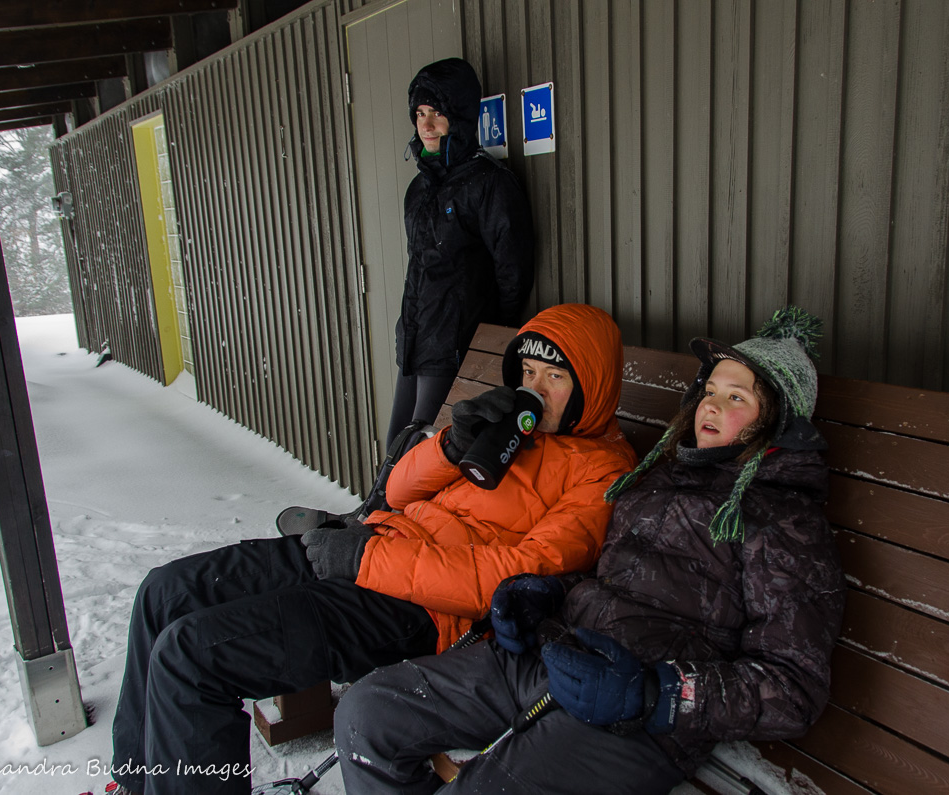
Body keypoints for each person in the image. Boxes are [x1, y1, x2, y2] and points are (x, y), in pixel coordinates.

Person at [108, 303, 636, 794]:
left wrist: (364, 559)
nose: (534, 389)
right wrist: (451, 445)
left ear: (591, 386)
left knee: (192, 654)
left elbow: (513, 577)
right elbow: (398, 493)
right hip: (377, 542)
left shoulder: (601, 474)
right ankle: (135, 783)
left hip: (421, 609)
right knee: (165, 593)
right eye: (527, 372)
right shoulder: (515, 430)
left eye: (555, 377)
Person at [333, 307, 847, 794]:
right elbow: (616, 580)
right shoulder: (660, 477)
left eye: (737, 398)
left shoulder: (786, 524)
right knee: (369, 712)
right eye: (710, 390)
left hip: (637, 721)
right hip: (556, 657)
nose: (711, 406)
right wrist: (546, 595)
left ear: (778, 422)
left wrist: (656, 693)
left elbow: (792, 687)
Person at [387, 57, 534, 443]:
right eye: (420, 113)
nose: (426, 125)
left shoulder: (489, 184)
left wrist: (486, 341)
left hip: (455, 347)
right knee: (395, 449)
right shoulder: (418, 190)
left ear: (462, 117)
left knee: (423, 455)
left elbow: (512, 273)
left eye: (437, 113)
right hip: (415, 343)